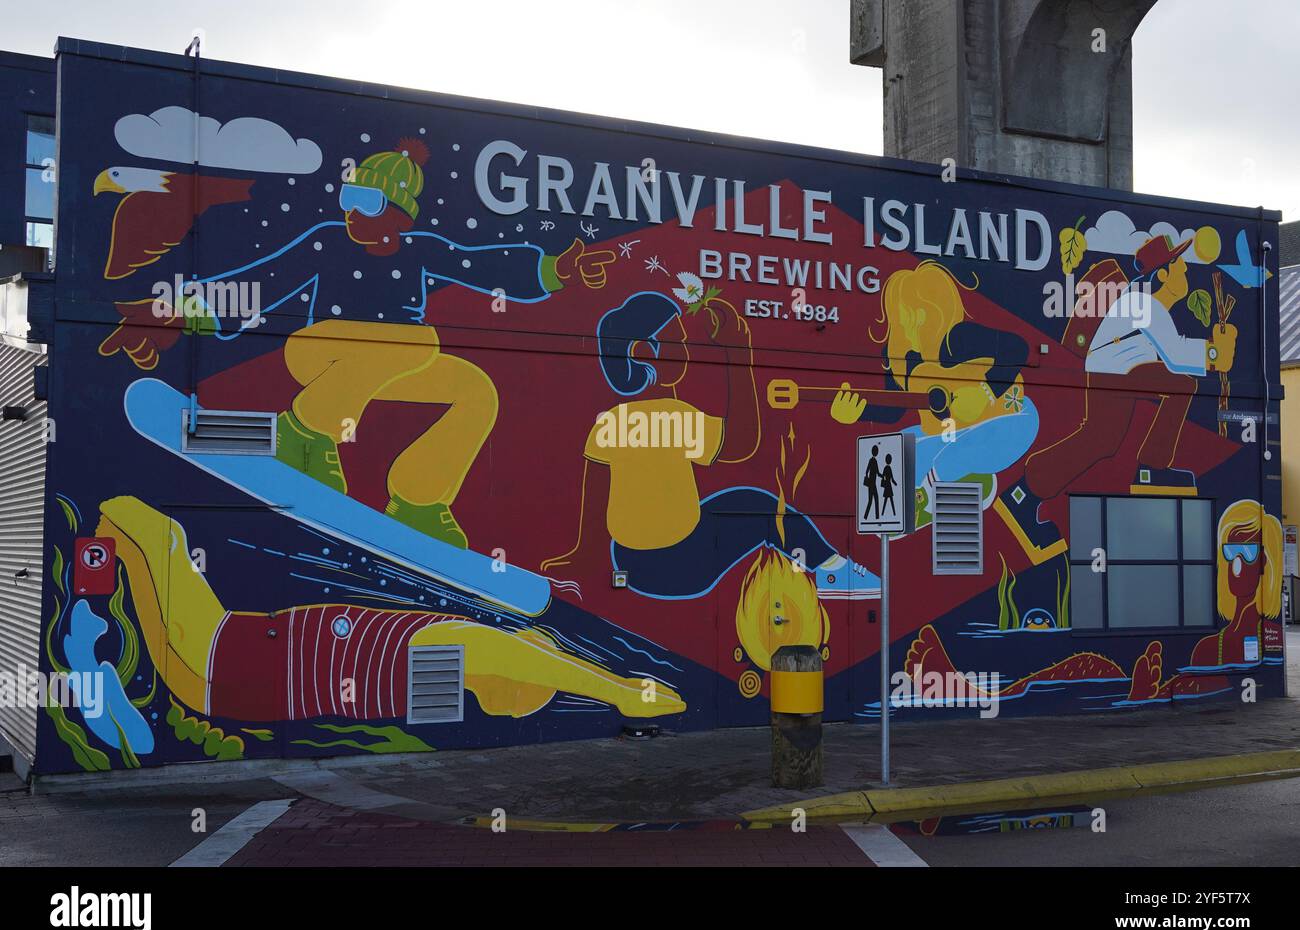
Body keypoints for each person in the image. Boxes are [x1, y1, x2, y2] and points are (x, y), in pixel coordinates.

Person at [99, 138, 616, 549]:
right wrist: (174, 311)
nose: (351, 212)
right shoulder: (327, 241)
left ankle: (418, 499)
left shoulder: (419, 252)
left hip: (392, 362)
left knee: (474, 389)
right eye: (348, 198)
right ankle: (303, 432)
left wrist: (554, 269)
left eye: (365, 201)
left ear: (400, 214)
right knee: (419, 343)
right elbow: (265, 280)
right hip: (320, 352)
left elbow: (481, 264)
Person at [94, 495, 684, 722]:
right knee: (142, 542)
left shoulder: (442, 661)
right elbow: (519, 658)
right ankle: (97, 554)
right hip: (225, 684)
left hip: (237, 658)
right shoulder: (431, 686)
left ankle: (95, 548)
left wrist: (622, 691)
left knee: (152, 529)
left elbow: (512, 653)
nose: (513, 707)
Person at [543, 289, 880, 600]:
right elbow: (742, 442)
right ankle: (832, 571)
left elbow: (596, 511)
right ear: (645, 352)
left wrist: (584, 561)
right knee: (758, 505)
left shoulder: (608, 421)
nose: (688, 351)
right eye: (679, 341)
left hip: (630, 564)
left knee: (736, 504)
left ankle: (830, 569)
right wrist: (738, 354)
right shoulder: (673, 415)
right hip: (680, 563)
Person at [997, 235, 1238, 563]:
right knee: (1100, 440)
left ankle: (1151, 467)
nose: (1186, 273)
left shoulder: (1145, 303)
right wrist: (1215, 353)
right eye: (1180, 267)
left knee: (1173, 392)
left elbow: (1171, 352)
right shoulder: (1143, 304)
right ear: (1163, 274)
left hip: (1122, 371)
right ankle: (1024, 494)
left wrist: (1213, 352)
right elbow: (1177, 352)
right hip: (1111, 375)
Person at [828, 261, 1037, 529]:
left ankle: (932, 499)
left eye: (910, 313)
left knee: (953, 456)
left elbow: (1017, 348)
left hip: (1010, 420)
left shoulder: (959, 339)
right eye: (899, 314)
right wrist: (858, 412)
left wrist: (985, 392)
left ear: (929, 312)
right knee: (886, 456)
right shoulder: (902, 360)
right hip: (947, 434)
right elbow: (894, 411)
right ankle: (894, 520)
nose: (903, 322)